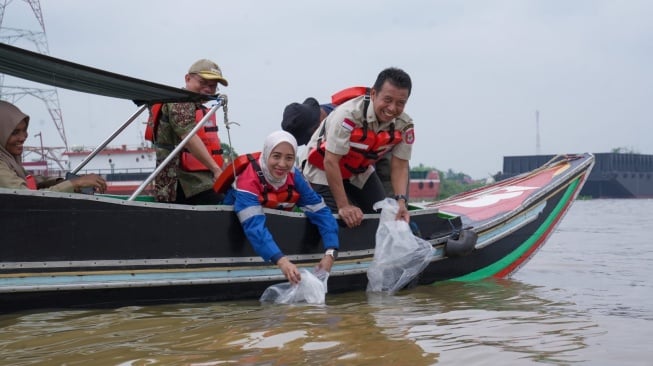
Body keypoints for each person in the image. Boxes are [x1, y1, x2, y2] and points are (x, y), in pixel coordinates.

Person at [302, 67, 414, 228]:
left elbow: (400, 166)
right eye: (387, 100)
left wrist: (401, 202)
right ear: (374, 94)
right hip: (322, 168)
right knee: (344, 221)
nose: (392, 108)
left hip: (357, 169)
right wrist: (344, 206)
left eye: (400, 103)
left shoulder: (405, 125)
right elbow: (330, 161)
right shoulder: (348, 115)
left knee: (383, 214)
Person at [223, 130, 339, 284]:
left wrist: (330, 253)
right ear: (266, 154)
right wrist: (282, 261)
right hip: (239, 233)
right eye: (276, 156)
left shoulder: (294, 176)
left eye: (289, 158)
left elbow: (321, 212)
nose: (282, 164)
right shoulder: (248, 180)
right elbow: (254, 227)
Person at [281, 95, 401, 198]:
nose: (309, 143)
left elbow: (365, 161)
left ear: (316, 127)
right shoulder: (312, 122)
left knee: (385, 202)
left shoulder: (346, 118)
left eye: (308, 139)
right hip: (343, 162)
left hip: (379, 151)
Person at [151, 59, 228, 205]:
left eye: (212, 86)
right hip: (181, 184)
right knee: (228, 205)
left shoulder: (195, 106)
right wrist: (216, 169)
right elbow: (189, 137)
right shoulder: (180, 102)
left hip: (197, 182)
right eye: (203, 83)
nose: (208, 89)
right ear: (188, 79)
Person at [0, 100, 107, 192]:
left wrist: (64, 182)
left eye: (24, 130)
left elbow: (32, 180)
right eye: (14, 132)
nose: (23, 137)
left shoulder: (10, 161)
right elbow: (28, 197)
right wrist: (76, 183)